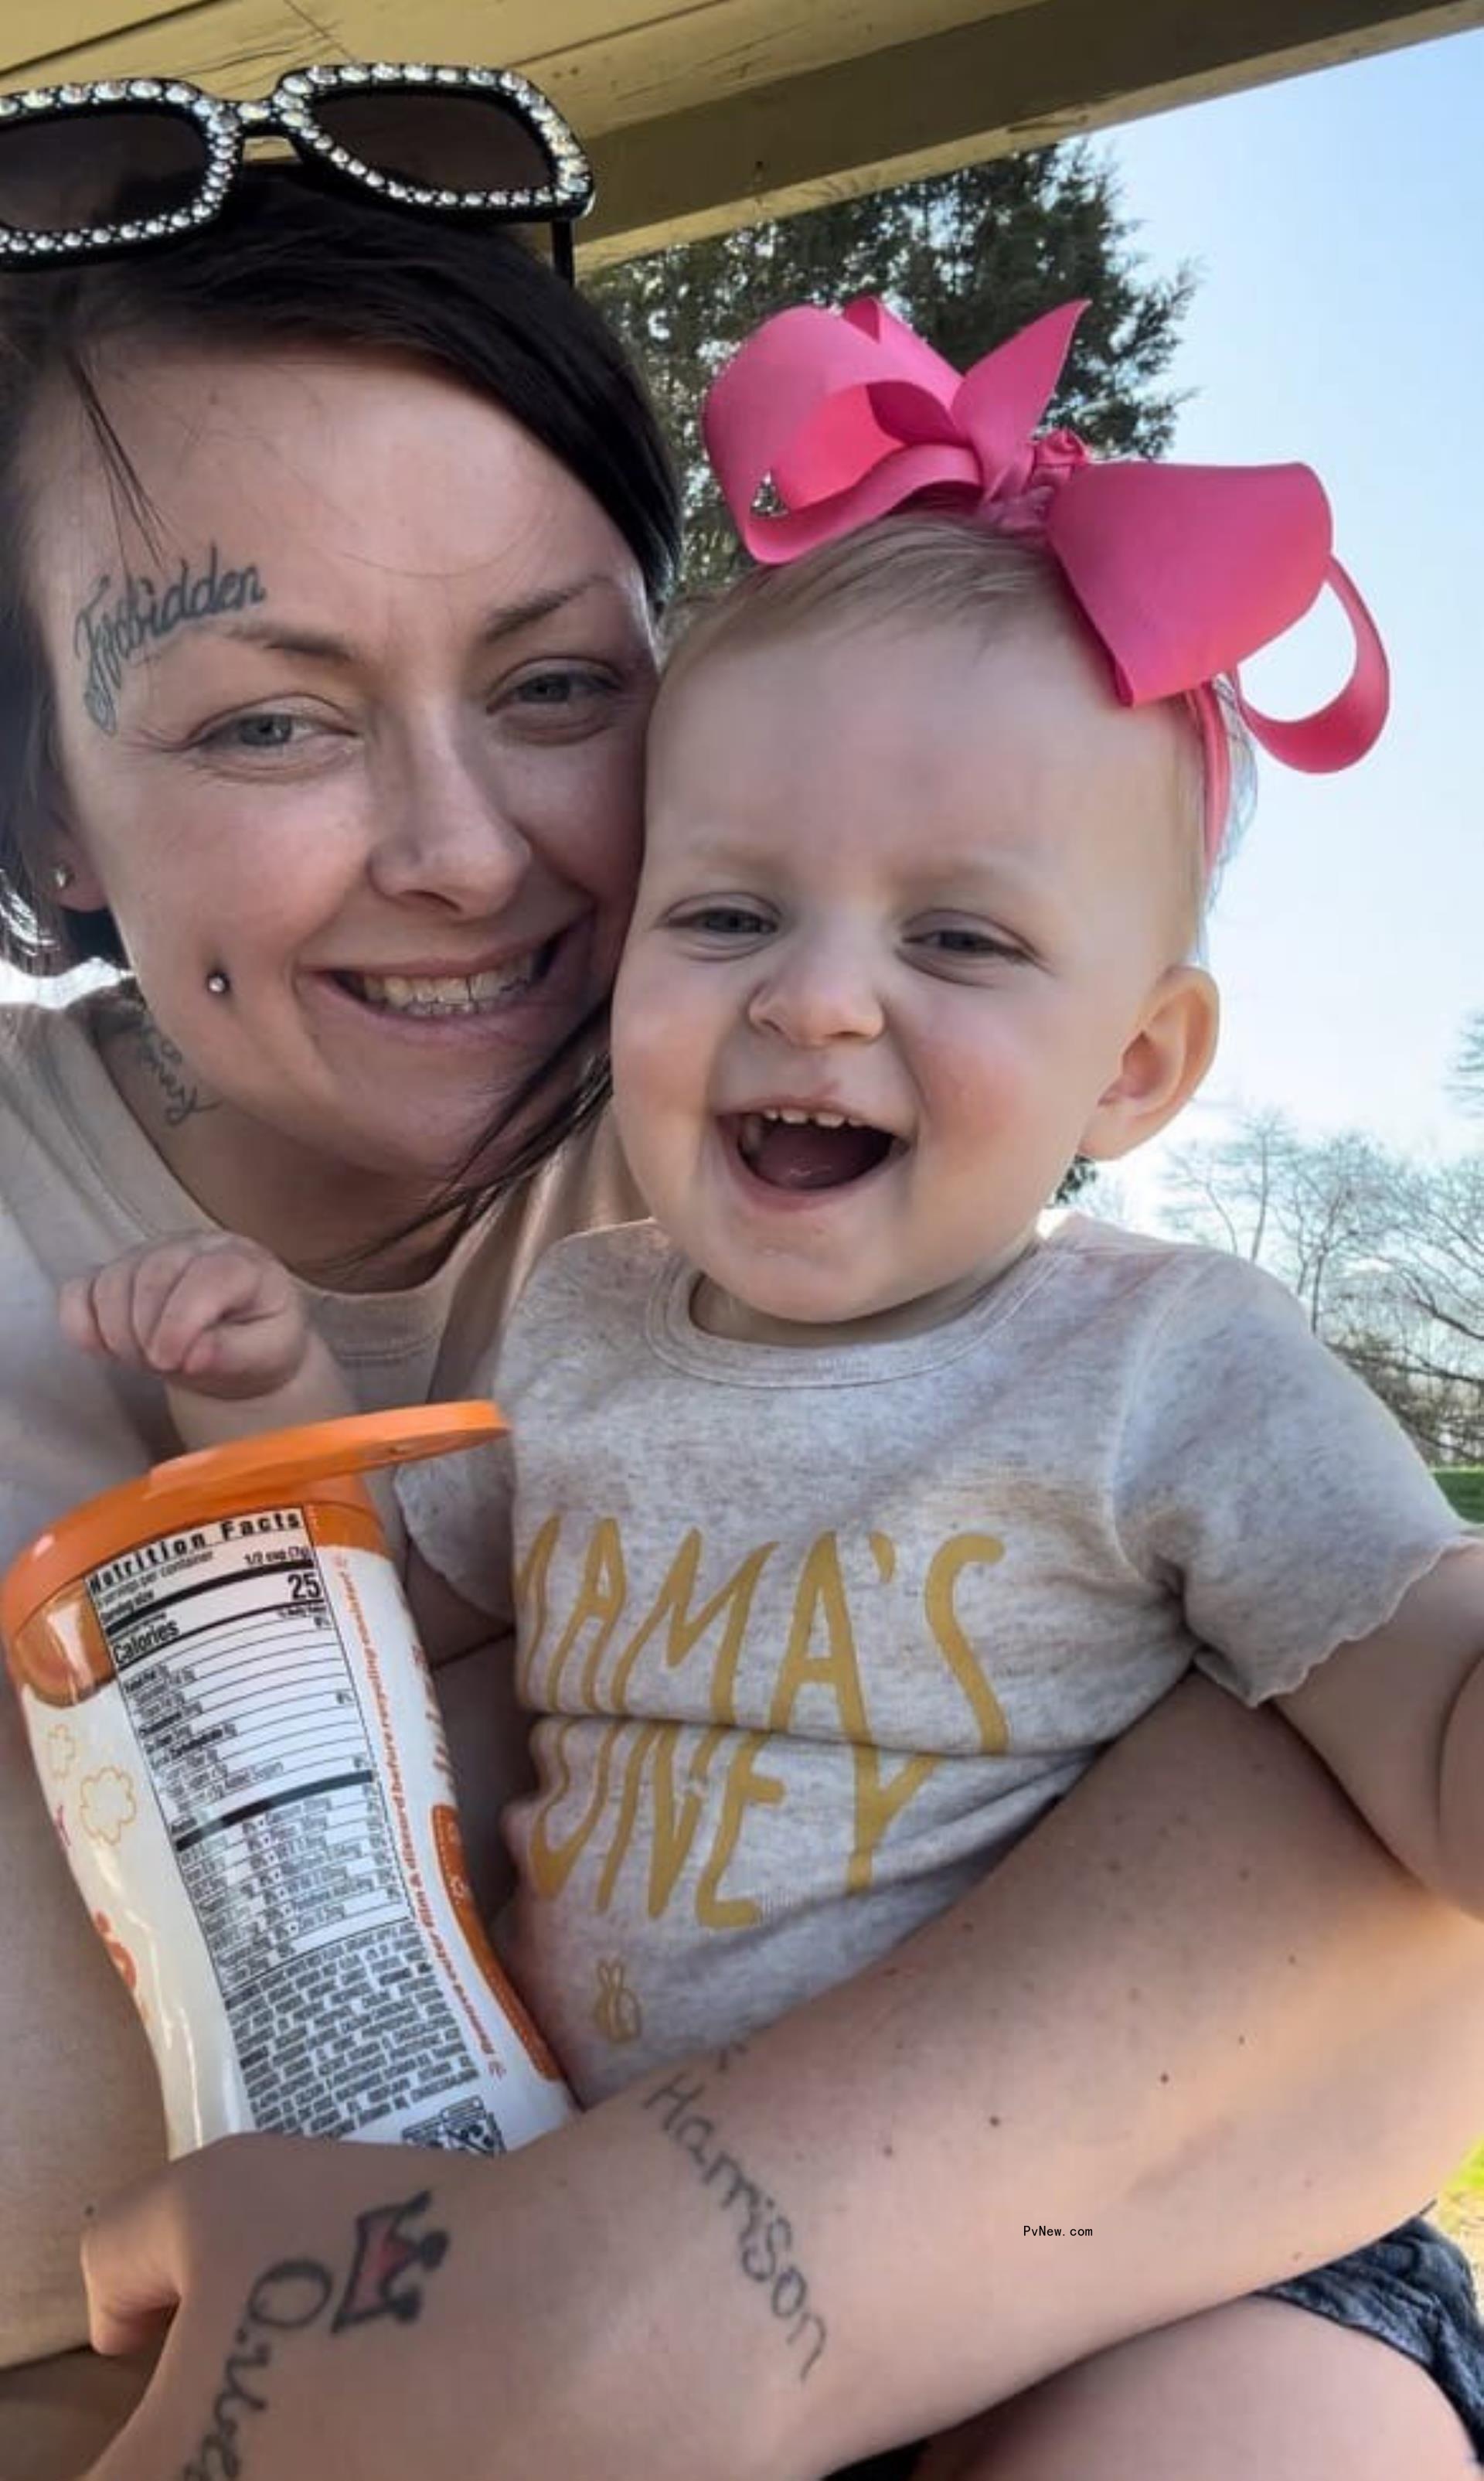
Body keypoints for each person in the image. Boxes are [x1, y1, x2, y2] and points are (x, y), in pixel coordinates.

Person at [0, 84, 1475, 2481]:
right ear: (46, 798)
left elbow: (1397, 1894)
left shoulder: (948, 1255)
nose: (464, 854)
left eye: (562, 685)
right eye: (265, 715)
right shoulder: (628, 1310)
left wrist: (626, 2317)